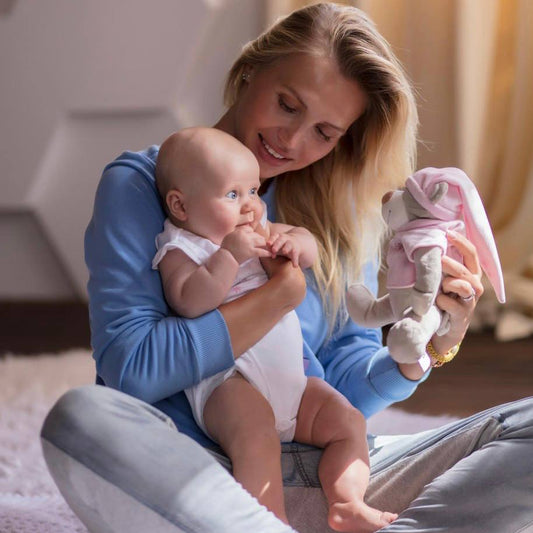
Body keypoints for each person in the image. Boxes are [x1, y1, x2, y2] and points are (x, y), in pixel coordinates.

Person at [41, 3, 533, 533]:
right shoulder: (149, 186)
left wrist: (428, 349)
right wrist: (279, 294)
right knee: (81, 420)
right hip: (189, 472)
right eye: (287, 104)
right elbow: (133, 369)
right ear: (250, 70)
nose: (292, 142)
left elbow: (347, 383)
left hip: (317, 472)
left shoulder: (342, 216)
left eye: (324, 132)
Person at [152, 126, 397, 531]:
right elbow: (189, 300)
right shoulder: (181, 249)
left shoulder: (257, 231)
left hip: (294, 383)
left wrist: (297, 244)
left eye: (253, 191)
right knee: (256, 435)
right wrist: (228, 256)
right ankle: (269, 521)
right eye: (233, 195)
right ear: (181, 206)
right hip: (228, 381)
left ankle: (346, 501)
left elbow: (307, 245)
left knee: (347, 422)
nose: (249, 206)